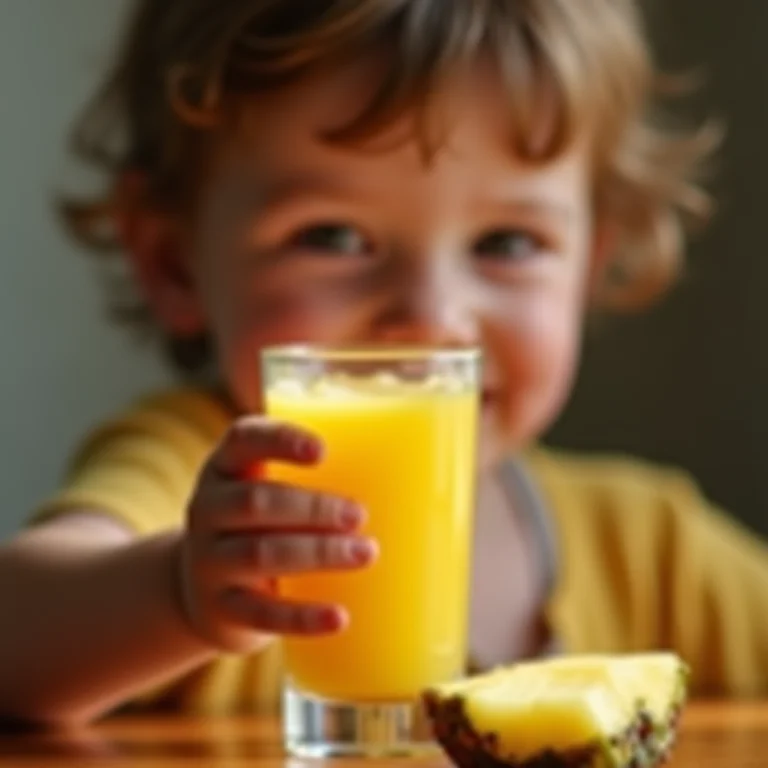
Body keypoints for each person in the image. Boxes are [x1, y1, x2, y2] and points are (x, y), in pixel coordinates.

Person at [1, 0, 765, 727]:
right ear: (172, 263)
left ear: (589, 265)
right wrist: (179, 590)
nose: (433, 319)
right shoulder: (208, 482)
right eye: (332, 236)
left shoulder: (651, 550)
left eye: (507, 243)